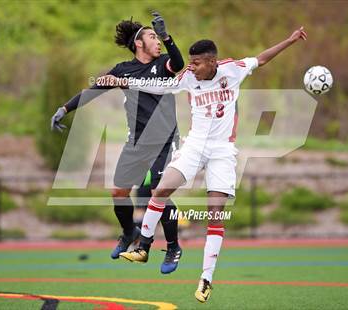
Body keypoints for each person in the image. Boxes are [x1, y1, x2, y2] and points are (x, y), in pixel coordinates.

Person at [117, 26, 307, 302]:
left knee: (215, 216)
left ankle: (206, 279)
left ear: (212, 62)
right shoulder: (187, 78)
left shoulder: (233, 70)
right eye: (190, 62)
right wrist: (127, 82)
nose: (191, 67)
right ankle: (143, 246)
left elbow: (261, 59)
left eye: (196, 62)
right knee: (160, 190)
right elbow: (159, 85)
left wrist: (289, 40)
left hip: (222, 151)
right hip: (194, 145)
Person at [51, 13, 184, 274]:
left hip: (164, 140)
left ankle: (173, 247)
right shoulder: (122, 70)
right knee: (118, 194)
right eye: (152, 36)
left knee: (159, 192)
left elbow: (179, 64)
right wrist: (64, 108)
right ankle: (128, 233)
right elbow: (94, 90)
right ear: (138, 43)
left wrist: (168, 38)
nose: (157, 40)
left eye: (158, 36)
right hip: (136, 142)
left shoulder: (164, 63)